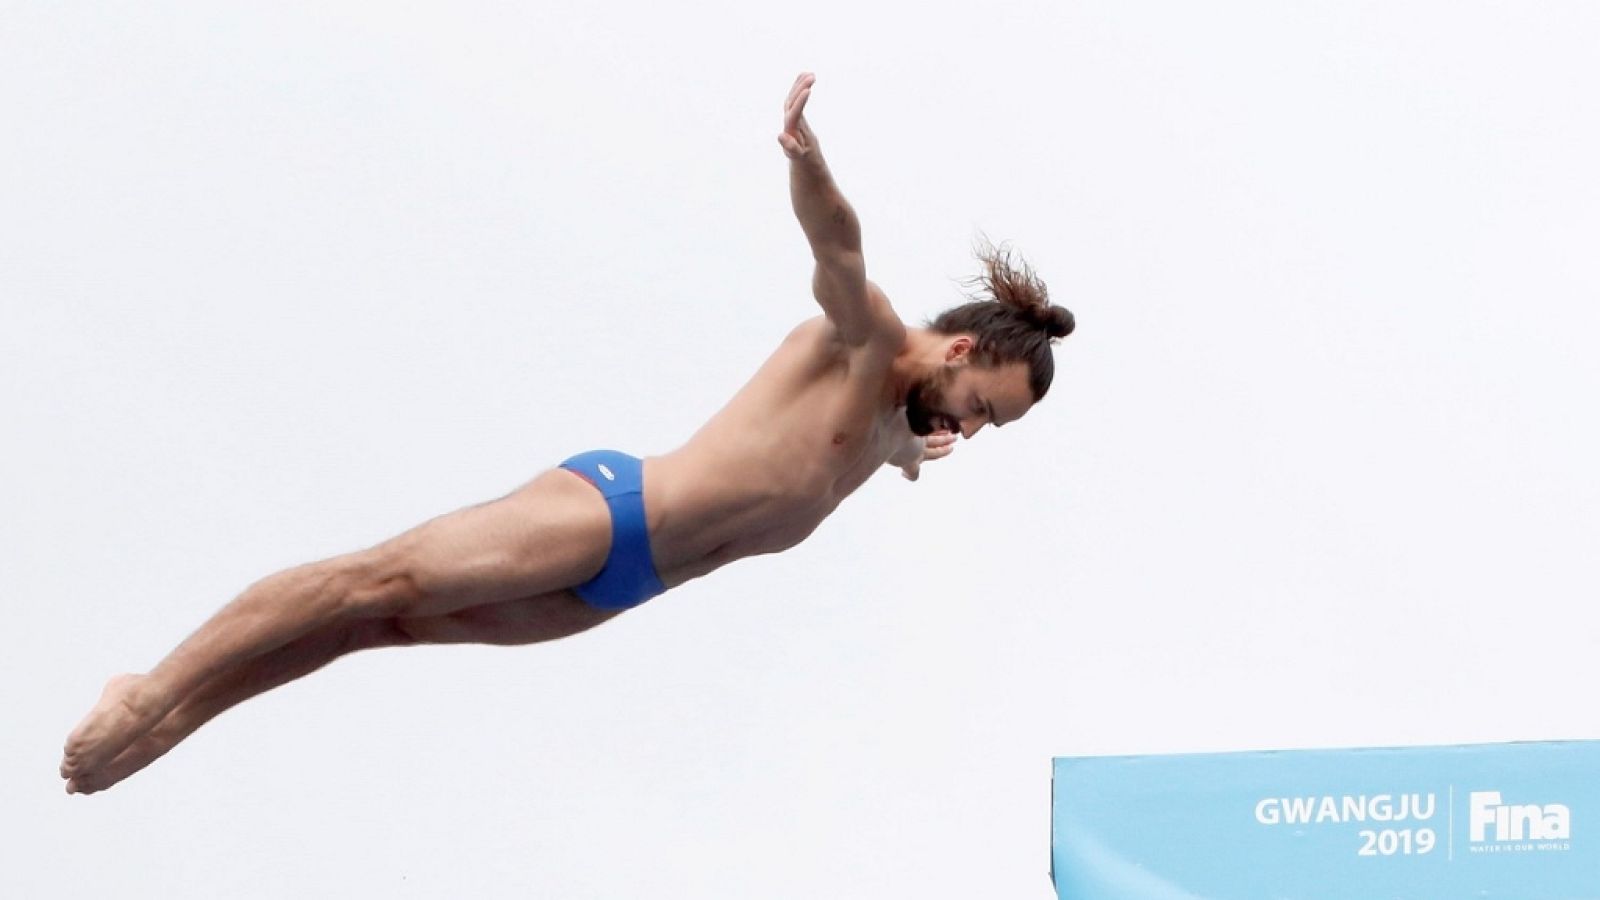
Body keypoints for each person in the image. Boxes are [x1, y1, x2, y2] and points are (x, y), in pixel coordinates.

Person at [59, 72, 1074, 795]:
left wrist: (910, 449)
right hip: (611, 512)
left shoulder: (899, 431)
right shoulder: (866, 340)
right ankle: (149, 692)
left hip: (622, 587)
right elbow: (836, 246)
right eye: (982, 408)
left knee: (378, 629)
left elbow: (878, 449)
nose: (968, 433)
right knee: (377, 580)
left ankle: (173, 725)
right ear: (959, 354)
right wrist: (808, 161)